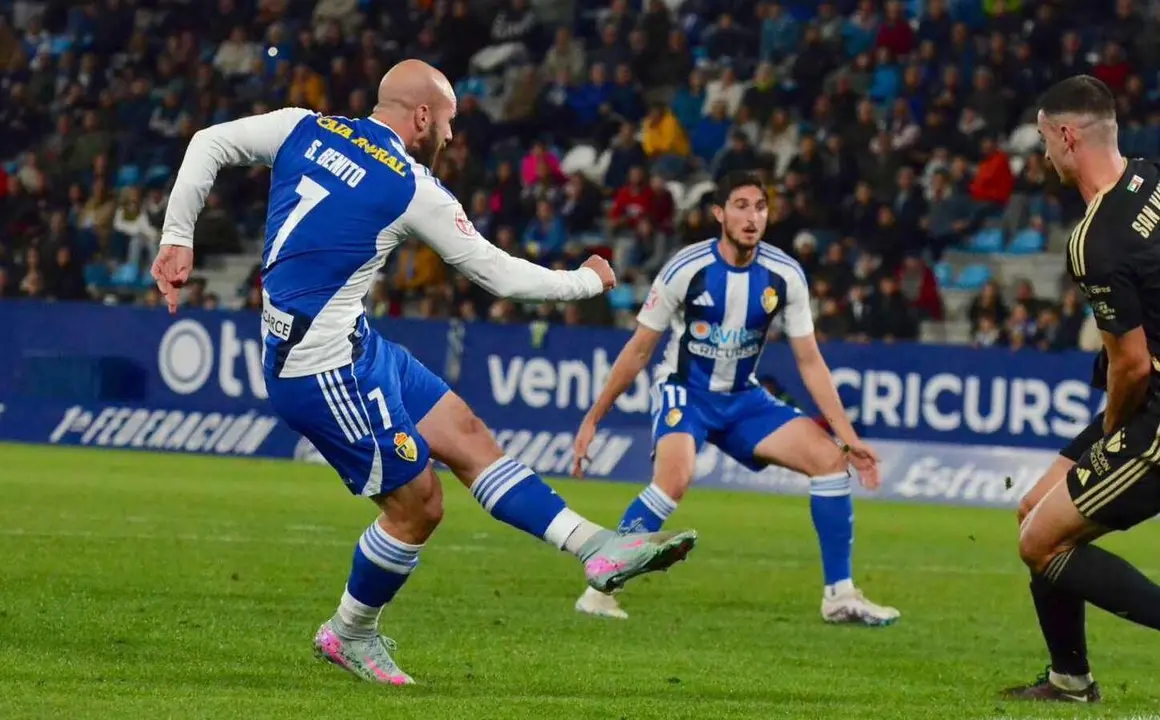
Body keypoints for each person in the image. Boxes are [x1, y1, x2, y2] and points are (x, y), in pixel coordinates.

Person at [151, 59, 697, 686]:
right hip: (320, 368)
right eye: (449, 120)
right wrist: (587, 279)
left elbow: (208, 141)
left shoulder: (303, 127)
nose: (451, 135)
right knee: (420, 506)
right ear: (420, 117)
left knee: (466, 435)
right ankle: (349, 634)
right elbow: (500, 275)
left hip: (352, 343)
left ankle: (596, 547)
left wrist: (177, 237)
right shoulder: (410, 185)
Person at [570, 170, 900, 625]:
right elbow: (640, 349)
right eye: (741, 206)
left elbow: (810, 361)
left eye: (760, 207)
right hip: (685, 392)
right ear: (719, 214)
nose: (751, 216)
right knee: (675, 477)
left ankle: (839, 596)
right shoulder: (686, 269)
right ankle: (599, 588)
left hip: (744, 398)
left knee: (828, 461)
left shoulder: (784, 275)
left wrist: (846, 437)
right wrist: (593, 418)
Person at [1004, 74, 1160, 704]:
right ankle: (1071, 678)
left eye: (1044, 140)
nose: (1044, 155)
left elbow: (1131, 367)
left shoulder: (1093, 239)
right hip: (1144, 395)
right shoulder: (1151, 176)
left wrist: (1114, 428)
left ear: (1068, 136)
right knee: (1033, 510)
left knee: (1040, 541)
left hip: (1152, 410)